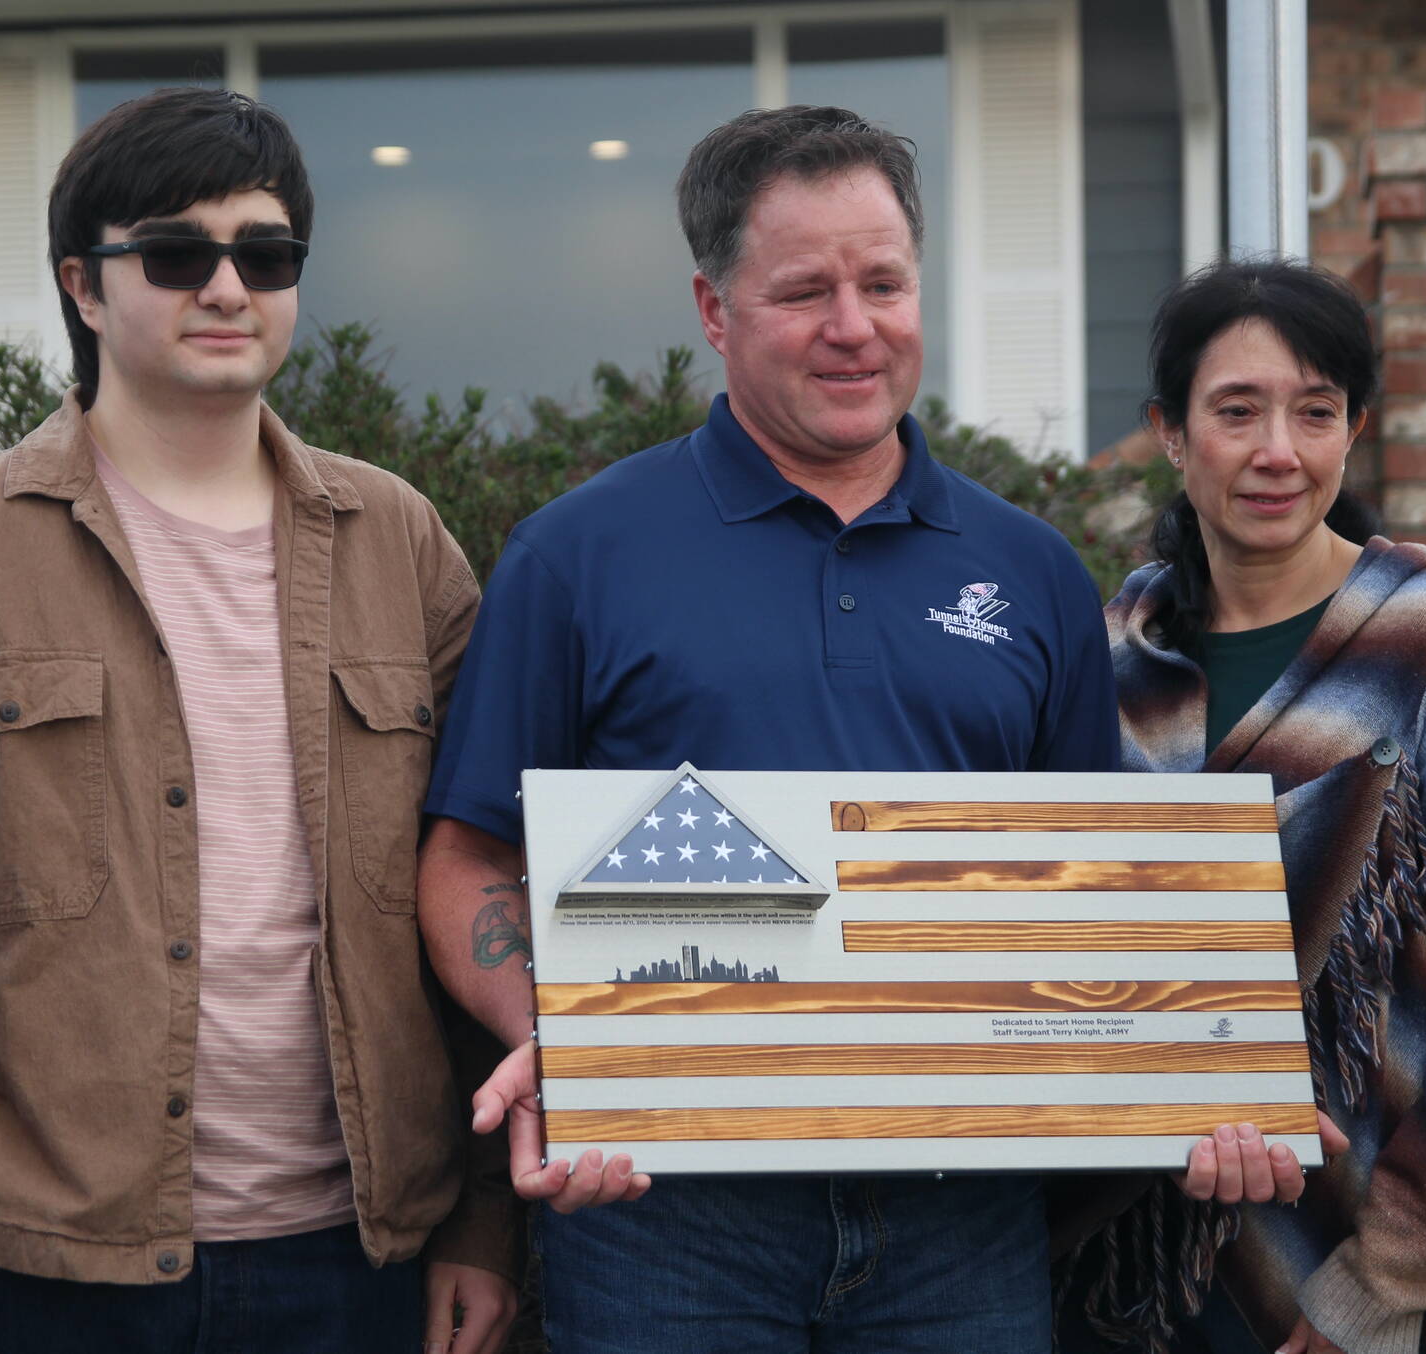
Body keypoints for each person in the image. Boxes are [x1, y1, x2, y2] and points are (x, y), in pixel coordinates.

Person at [0, 88, 517, 1354]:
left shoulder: (398, 542)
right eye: (176, 252)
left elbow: (477, 877)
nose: (227, 285)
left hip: (358, 1257)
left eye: (267, 251)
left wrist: (478, 1220)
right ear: (84, 286)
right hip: (39, 1265)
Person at [417, 104, 1130, 1351]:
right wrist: (566, 1043)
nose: (852, 327)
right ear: (712, 311)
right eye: (803, 290)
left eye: (883, 283)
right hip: (667, 1220)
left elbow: (1094, 881)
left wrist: (1204, 1082)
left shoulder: (1033, 572)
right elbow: (467, 858)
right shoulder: (578, 556)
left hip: (959, 1224)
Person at [1085, 256, 1426, 1354]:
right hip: (1142, 1284)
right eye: (1235, 410)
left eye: (1314, 412)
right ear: (1168, 431)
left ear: (1351, 430)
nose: (1276, 451)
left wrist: (1375, 1285)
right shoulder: (1112, 661)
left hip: (1400, 1279)